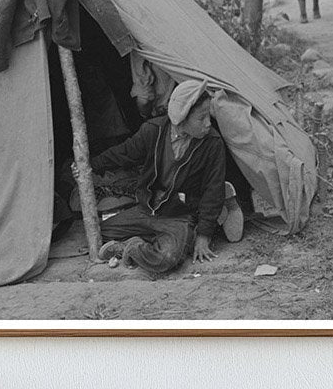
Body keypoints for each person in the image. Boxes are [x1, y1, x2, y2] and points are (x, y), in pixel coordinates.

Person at [90, 80, 244, 276]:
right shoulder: (153, 130)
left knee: (167, 258)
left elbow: (212, 190)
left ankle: (133, 247)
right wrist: (90, 165)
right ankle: (143, 244)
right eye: (201, 118)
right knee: (100, 232)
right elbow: (124, 153)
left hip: (180, 214)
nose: (208, 124)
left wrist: (204, 235)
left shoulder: (212, 144)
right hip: (148, 210)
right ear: (181, 118)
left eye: (209, 117)